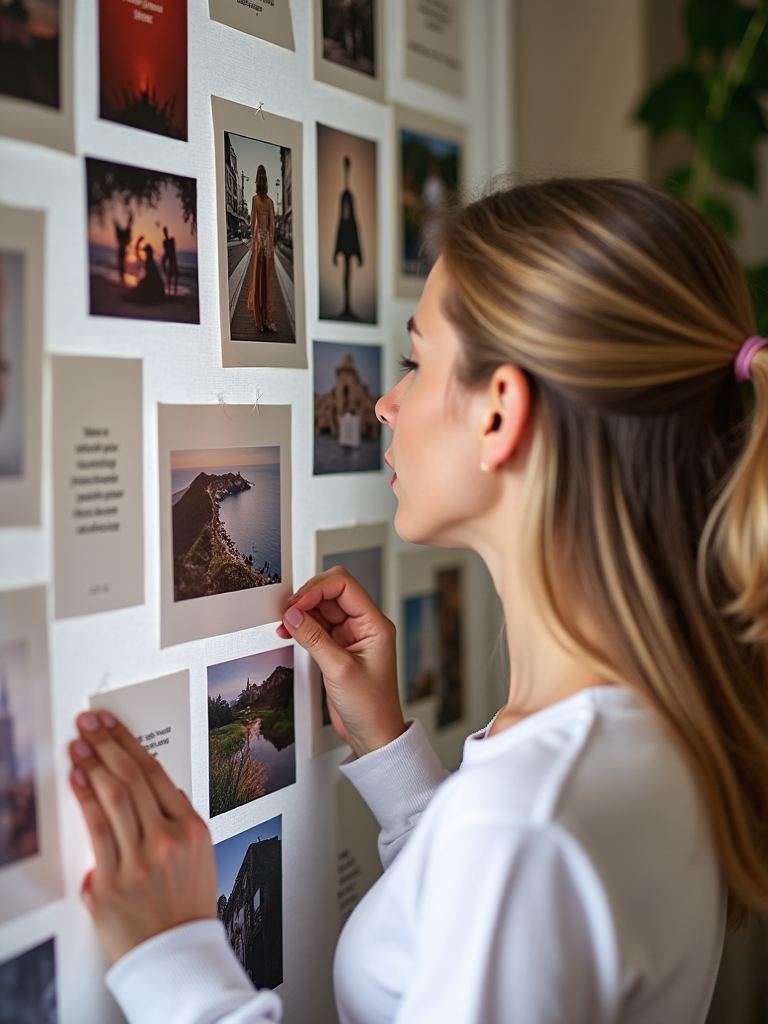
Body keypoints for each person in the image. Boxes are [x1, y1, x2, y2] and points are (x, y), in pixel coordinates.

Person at [68, 178, 768, 1024]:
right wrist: (394, 760)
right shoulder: (661, 727)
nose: (385, 403)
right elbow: (492, 932)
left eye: (415, 359)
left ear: (499, 412)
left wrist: (176, 966)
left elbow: (512, 869)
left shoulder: (525, 826)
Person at [247, 164, 276, 333]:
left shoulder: (254, 200)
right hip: (266, 246)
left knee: (258, 282)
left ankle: (260, 321)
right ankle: (265, 319)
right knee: (265, 283)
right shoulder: (270, 202)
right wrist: (270, 244)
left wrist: (254, 239)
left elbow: (252, 223)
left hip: (259, 245)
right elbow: (272, 226)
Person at [334, 155, 362, 319]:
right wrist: (335, 251)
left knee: (348, 273)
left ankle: (348, 305)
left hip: (349, 241)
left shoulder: (349, 198)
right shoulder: (344, 197)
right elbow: (339, 224)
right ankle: (346, 305)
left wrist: (359, 253)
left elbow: (355, 225)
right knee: (346, 273)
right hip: (346, 241)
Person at [128, 237, 165, 305]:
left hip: (155, 289)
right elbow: (138, 254)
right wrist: (138, 243)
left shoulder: (149, 263)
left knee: (140, 288)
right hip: (157, 289)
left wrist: (138, 242)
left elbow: (150, 278)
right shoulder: (150, 262)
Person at [113, 211, 133, 286]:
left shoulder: (123, 235)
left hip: (122, 250)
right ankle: (121, 279)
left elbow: (128, 226)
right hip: (122, 250)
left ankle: (122, 279)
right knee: (121, 264)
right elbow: (128, 227)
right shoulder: (123, 235)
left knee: (122, 264)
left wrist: (130, 219)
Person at [161, 226, 179, 296]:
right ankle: (170, 291)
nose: (165, 233)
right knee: (171, 275)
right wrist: (164, 261)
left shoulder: (171, 240)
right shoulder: (165, 242)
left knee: (175, 275)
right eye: (164, 232)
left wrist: (165, 260)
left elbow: (172, 250)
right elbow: (167, 252)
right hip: (171, 260)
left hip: (173, 259)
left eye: (165, 231)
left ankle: (174, 291)